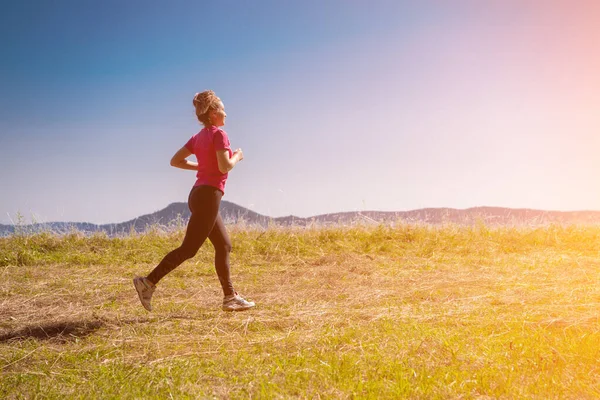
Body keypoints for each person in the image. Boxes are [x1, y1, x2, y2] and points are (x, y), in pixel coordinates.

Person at [133, 90, 255, 312]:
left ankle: (230, 297)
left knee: (224, 245)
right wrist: (238, 155)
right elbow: (225, 166)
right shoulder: (220, 135)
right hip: (209, 196)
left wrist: (201, 166)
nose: (226, 113)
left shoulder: (198, 138)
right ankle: (148, 282)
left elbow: (175, 161)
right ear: (213, 113)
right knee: (189, 249)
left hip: (197, 194)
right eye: (223, 108)